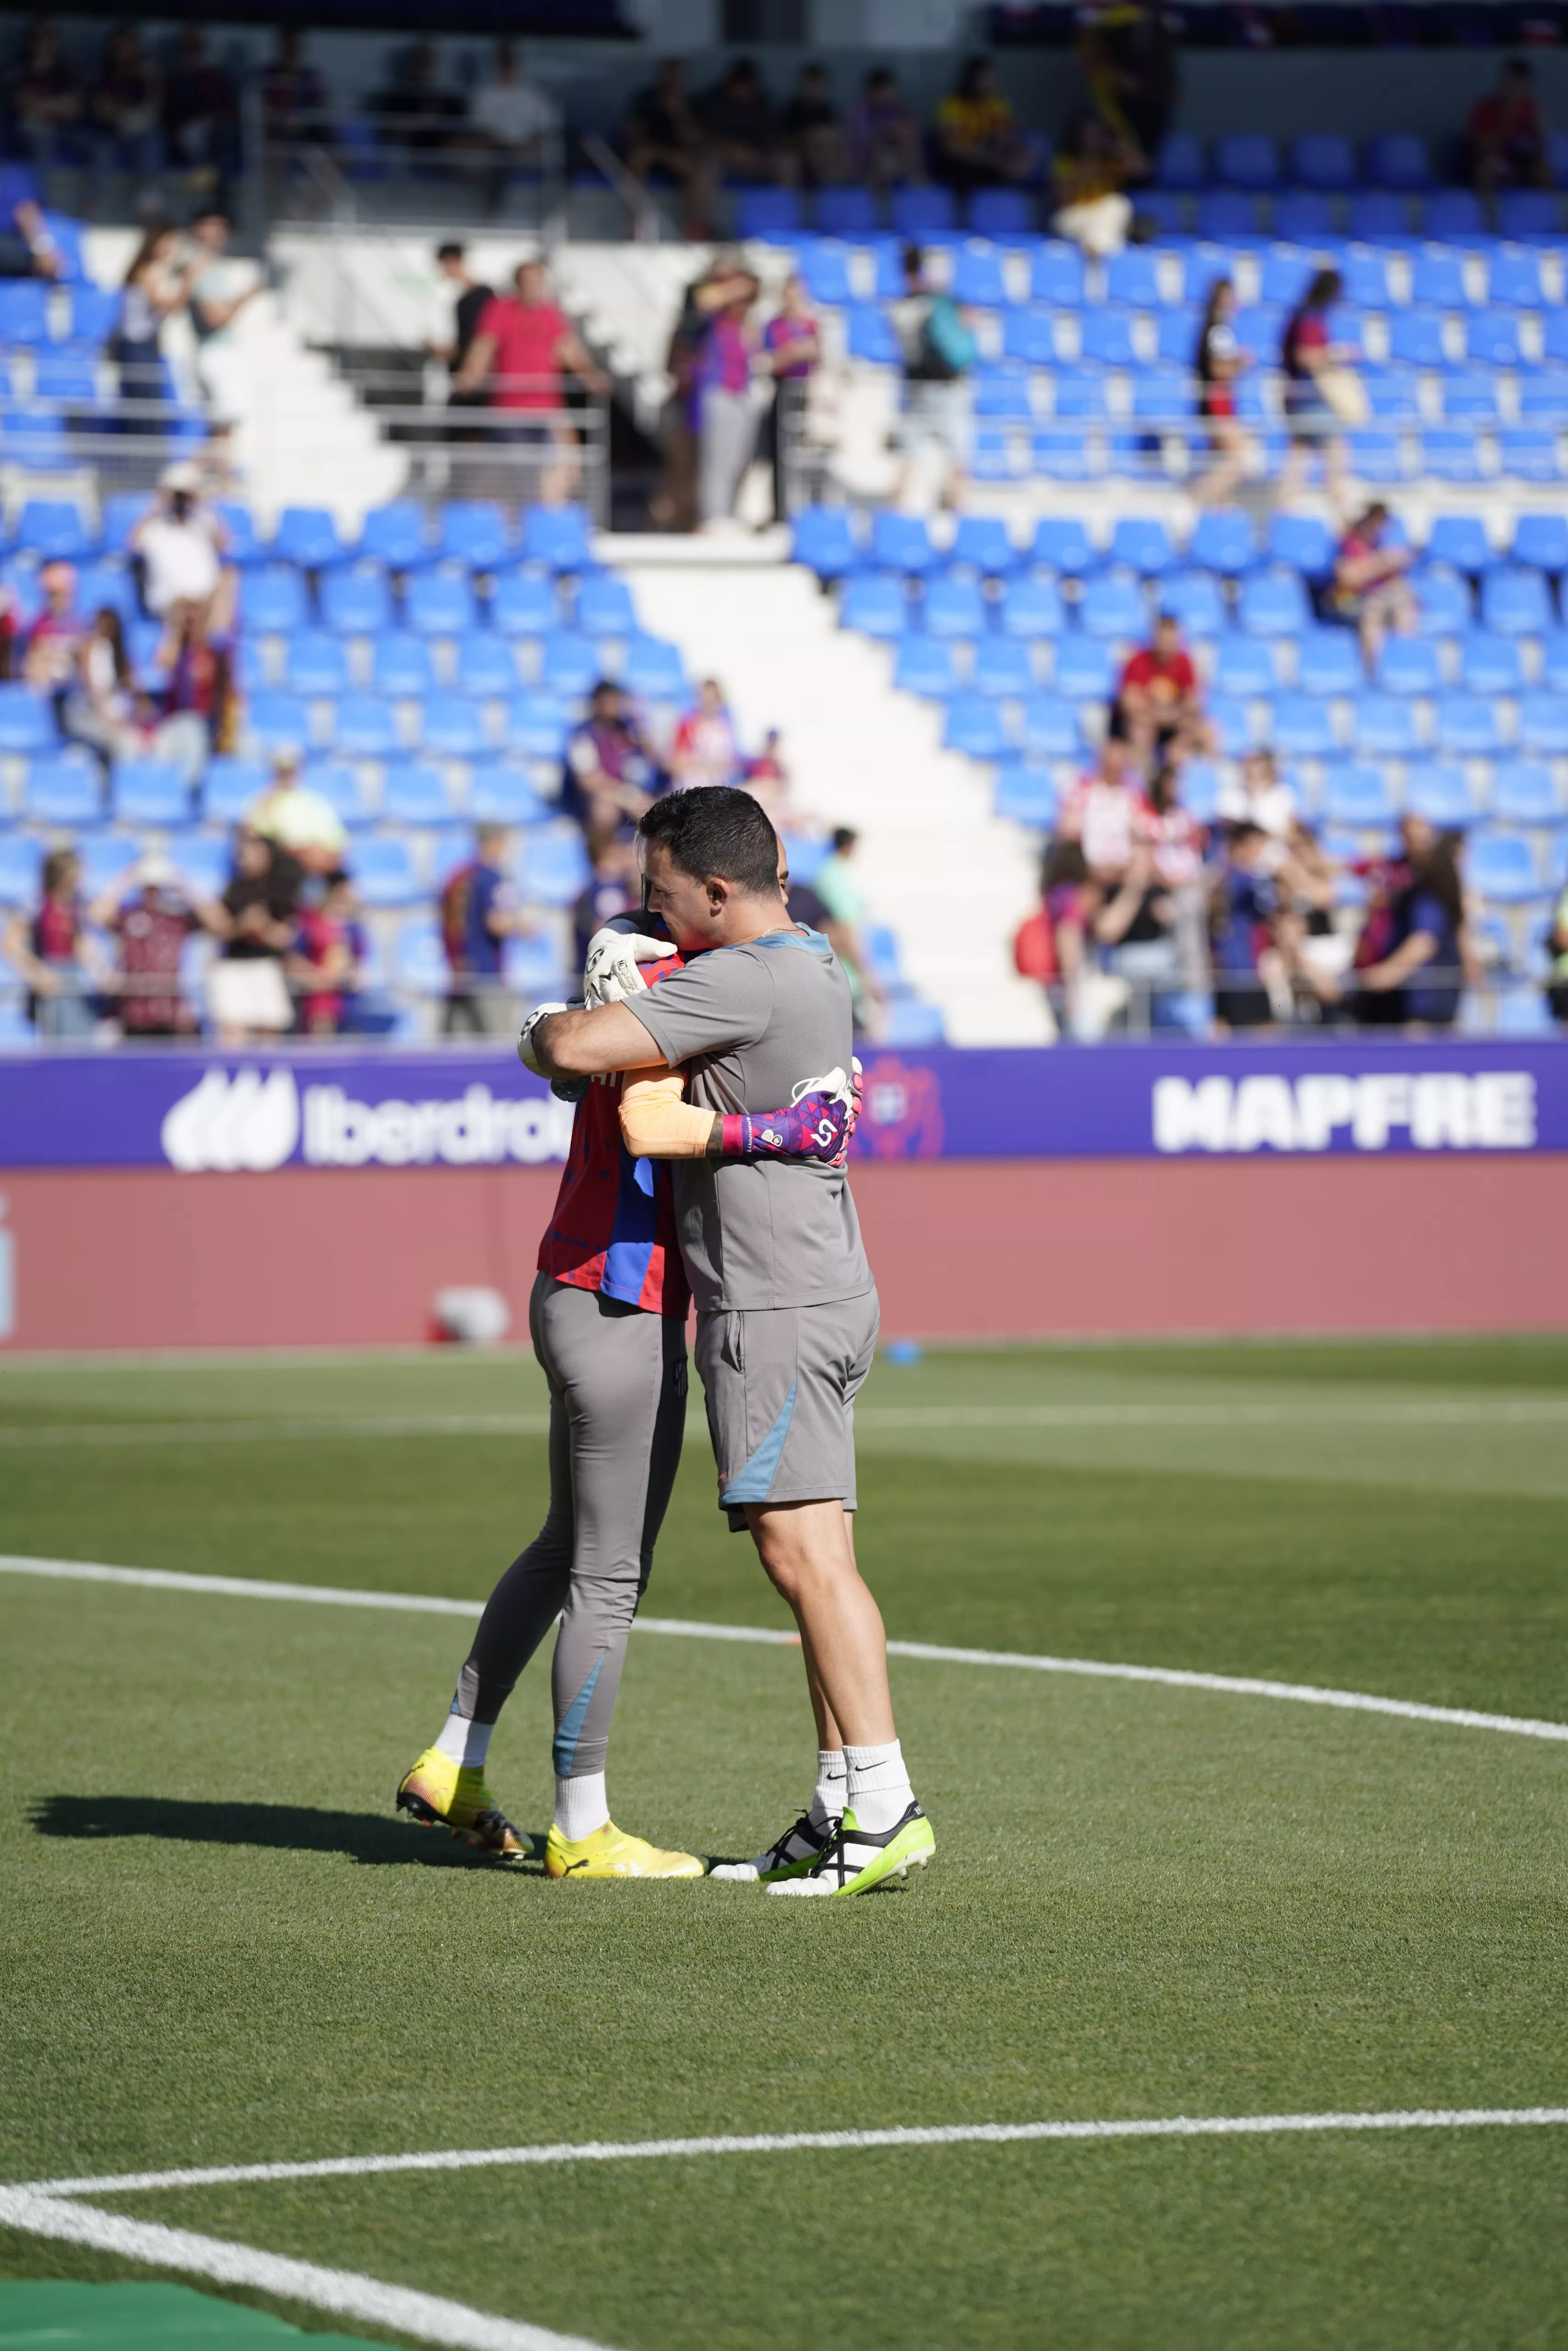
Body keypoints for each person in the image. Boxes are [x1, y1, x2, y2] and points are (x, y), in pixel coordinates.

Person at [399, 889, 859, 1879]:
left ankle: (454, 1759)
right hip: (624, 1299)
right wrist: (801, 1122)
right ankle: (582, 1826)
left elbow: (561, 1051)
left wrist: (557, 1013)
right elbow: (658, 1120)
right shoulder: (677, 1003)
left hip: (571, 1286)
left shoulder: (623, 1006)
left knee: (563, 1545)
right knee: (608, 1574)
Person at [522, 787, 932, 1897]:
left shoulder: (738, 979)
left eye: (660, 895)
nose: (648, 913)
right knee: (816, 1557)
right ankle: (841, 1801)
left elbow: (575, 1047)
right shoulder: (811, 959)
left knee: (804, 1560)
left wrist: (542, 1022)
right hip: (820, 1284)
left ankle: (884, 1804)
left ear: (715, 890)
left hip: (772, 1302)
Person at [452, 257, 609, 507]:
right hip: (510, 411)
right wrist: (471, 374)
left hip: (546, 410)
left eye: (539, 282)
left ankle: (541, 518)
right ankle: (527, 518)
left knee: (556, 470)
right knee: (521, 473)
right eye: (530, 282)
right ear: (519, 285)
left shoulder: (549, 313)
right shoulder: (501, 310)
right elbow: (484, 347)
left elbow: (570, 351)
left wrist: (591, 375)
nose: (536, 287)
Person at [90, 852, 224, 1040]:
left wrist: (181, 883)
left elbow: (219, 923)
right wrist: (127, 879)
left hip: (170, 1011)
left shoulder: (177, 920)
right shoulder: (128, 917)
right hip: (133, 1011)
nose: (152, 893)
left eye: (156, 888)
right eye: (148, 888)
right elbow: (96, 916)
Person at [891, 244, 976, 511]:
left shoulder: (905, 307)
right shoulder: (943, 303)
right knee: (956, 455)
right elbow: (969, 327)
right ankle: (956, 508)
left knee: (911, 456)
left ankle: (898, 514)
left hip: (920, 388)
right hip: (947, 387)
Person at [437, 823, 530, 1036]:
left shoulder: (459, 876)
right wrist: (521, 926)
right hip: (488, 972)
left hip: (462, 969)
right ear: (495, 842)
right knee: (496, 1039)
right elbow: (495, 922)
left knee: (461, 1042)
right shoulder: (490, 877)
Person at [1278, 268, 1357, 513]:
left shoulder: (1301, 315)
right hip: (1310, 396)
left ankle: (1286, 508)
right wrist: (1339, 354)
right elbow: (1307, 356)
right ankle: (1338, 507)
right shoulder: (1311, 318)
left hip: (1298, 395)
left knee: (1299, 452)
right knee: (1336, 450)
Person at [4, 847, 104, 1041]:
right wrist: (37, 973)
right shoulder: (37, 904)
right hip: (52, 981)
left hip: (75, 980)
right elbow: (11, 944)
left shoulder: (77, 905)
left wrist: (100, 971)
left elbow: (83, 946)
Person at [212, 827, 297, 1042]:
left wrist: (263, 927)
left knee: (269, 1031)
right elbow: (221, 930)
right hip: (234, 967)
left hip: (266, 966)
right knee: (232, 1032)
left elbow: (286, 937)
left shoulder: (280, 891)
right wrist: (242, 926)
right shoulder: (233, 890)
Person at [561, 680, 660, 859]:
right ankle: (602, 861)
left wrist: (639, 722)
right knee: (605, 808)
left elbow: (654, 757)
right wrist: (625, 795)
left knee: (658, 810)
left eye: (616, 700)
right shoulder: (583, 735)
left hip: (624, 791)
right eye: (609, 700)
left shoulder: (626, 730)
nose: (614, 706)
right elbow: (588, 781)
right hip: (591, 799)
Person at [692, 266, 759, 529]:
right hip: (720, 393)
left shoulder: (748, 326)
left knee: (738, 460)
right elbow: (704, 299)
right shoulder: (717, 321)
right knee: (717, 460)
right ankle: (714, 516)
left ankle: (730, 513)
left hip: (743, 396)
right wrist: (735, 288)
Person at [131, 465, 233, 632]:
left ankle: (216, 639)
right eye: (178, 496)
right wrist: (159, 505)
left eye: (185, 496)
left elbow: (226, 546)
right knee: (186, 610)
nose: (181, 501)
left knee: (229, 577)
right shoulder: (155, 528)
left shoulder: (203, 524)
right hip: (171, 603)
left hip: (204, 602)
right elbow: (132, 546)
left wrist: (202, 502)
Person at [113, 224, 196, 431]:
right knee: (143, 408)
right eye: (169, 242)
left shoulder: (152, 271)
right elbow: (167, 306)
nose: (173, 248)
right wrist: (188, 279)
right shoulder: (147, 272)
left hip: (145, 347)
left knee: (149, 406)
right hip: (137, 348)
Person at [186, 211, 261, 440]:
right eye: (212, 229)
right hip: (215, 352)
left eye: (221, 230)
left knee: (225, 425)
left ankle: (217, 463)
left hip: (221, 352)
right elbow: (215, 319)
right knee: (222, 423)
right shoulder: (200, 269)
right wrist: (245, 297)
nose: (218, 235)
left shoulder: (214, 267)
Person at [622, 60, 715, 239]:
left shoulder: (693, 103)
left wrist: (679, 113)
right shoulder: (646, 100)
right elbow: (633, 135)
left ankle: (696, 227)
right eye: (670, 76)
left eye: (678, 77)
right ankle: (635, 222)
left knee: (703, 171)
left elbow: (695, 140)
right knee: (639, 158)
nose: (673, 81)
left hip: (678, 157)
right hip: (649, 153)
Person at [1209, 821, 1287, 1031]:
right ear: (1241, 846)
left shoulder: (1231, 880)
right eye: (1257, 845)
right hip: (1241, 969)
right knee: (1258, 1030)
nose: (1261, 852)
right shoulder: (1242, 881)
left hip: (1245, 967)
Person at [465, 41, 560, 215]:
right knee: (496, 160)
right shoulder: (484, 95)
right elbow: (480, 131)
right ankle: (493, 212)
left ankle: (556, 212)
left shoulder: (533, 95)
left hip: (527, 153)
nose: (507, 66)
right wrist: (508, 146)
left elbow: (546, 129)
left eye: (510, 61)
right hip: (496, 152)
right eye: (503, 61)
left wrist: (529, 146)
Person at [760, 273, 820, 524]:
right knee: (781, 455)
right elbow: (768, 361)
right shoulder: (774, 326)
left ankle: (810, 510)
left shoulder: (810, 325)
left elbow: (818, 355)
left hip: (805, 393)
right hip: (783, 392)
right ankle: (781, 512)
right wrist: (793, 353)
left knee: (809, 455)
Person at [813, 826, 884, 1032]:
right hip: (846, 974)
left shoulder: (832, 873)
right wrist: (867, 977)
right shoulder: (836, 876)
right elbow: (846, 930)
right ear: (848, 846)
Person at [1329, 502, 1417, 670]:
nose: (1378, 526)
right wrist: (1381, 563)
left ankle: (1403, 668)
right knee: (1372, 613)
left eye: (1382, 521)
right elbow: (1349, 578)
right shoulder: (1351, 543)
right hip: (1353, 601)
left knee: (1405, 610)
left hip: (1386, 598)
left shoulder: (1385, 543)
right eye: (1375, 520)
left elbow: (1402, 565)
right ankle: (1375, 671)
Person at [1115, 612, 1211, 764]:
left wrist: (1175, 714)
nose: (1166, 644)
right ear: (1154, 637)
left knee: (1207, 733)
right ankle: (1140, 776)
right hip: (1148, 720)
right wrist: (1156, 713)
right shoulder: (1138, 661)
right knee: (1139, 732)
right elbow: (1129, 701)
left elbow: (1193, 701)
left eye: (1171, 639)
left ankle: (1202, 774)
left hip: (1175, 721)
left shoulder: (1185, 662)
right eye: (1163, 638)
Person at [933, 55, 1034, 193]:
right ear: (972, 80)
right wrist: (985, 155)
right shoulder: (953, 103)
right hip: (962, 161)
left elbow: (1006, 136)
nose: (992, 84)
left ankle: (1011, 197)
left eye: (993, 79)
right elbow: (952, 147)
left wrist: (1015, 149)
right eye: (986, 79)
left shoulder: (998, 103)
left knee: (1023, 156)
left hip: (990, 154)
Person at [163, 27, 241, 204]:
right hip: (184, 134)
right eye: (189, 47)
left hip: (215, 133)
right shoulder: (174, 79)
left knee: (226, 135)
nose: (193, 52)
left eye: (197, 47)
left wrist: (212, 120)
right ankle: (204, 182)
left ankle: (221, 195)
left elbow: (230, 109)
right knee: (195, 135)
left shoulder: (215, 76)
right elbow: (169, 114)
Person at [1192, 276, 1249, 508]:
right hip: (1218, 401)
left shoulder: (1213, 327)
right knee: (1237, 464)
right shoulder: (1219, 330)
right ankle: (1196, 500)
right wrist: (1239, 363)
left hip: (1217, 399)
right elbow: (1219, 369)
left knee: (1221, 460)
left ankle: (1215, 508)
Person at [288, 870, 366, 1038]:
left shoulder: (352, 926)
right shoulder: (309, 922)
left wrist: (346, 975)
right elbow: (294, 959)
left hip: (345, 997)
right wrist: (317, 977)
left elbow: (359, 962)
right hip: (317, 997)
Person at [62, 606, 143, 767]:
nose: (102, 631)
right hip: (90, 715)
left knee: (136, 743)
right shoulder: (89, 650)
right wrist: (111, 723)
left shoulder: (119, 655)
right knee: (128, 744)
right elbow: (93, 693)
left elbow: (134, 692)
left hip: (114, 717)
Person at [89, 25, 163, 199]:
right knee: (102, 148)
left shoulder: (146, 74)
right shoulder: (104, 74)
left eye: (128, 46)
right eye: (119, 47)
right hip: (111, 133)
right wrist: (123, 113)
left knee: (153, 140)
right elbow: (103, 111)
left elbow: (155, 109)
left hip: (141, 133)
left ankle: (149, 201)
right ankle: (95, 201)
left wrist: (153, 80)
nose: (123, 52)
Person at [1051, 114, 1135, 259]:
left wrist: (1116, 143)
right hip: (1072, 215)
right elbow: (1059, 198)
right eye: (1090, 134)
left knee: (1119, 204)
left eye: (1098, 134)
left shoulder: (1110, 161)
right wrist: (1083, 171)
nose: (1094, 139)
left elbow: (1141, 168)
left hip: (1103, 216)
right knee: (1105, 229)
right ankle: (1111, 258)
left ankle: (1096, 255)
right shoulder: (1066, 162)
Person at [695, 57, 783, 186]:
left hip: (755, 158)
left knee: (786, 162)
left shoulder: (763, 102)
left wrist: (755, 154)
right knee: (708, 162)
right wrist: (732, 151)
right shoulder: (715, 100)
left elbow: (773, 137)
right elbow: (704, 136)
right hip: (724, 156)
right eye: (740, 85)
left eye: (748, 86)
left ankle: (785, 200)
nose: (744, 90)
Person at [372, 41, 465, 160]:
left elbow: (460, 131)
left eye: (427, 62)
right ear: (410, 63)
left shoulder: (448, 99)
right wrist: (423, 121)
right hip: (408, 156)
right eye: (418, 61)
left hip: (442, 158)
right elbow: (389, 129)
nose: (422, 68)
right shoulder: (396, 97)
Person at [1469, 57, 1548, 196]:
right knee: (1487, 171)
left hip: (1521, 163)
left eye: (1519, 83)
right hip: (1495, 162)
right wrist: (1507, 119)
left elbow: (1539, 149)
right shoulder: (1486, 109)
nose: (1513, 88)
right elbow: (1487, 150)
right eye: (1509, 81)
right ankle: (1489, 209)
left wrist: (1538, 134)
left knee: (1543, 171)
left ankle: (1544, 208)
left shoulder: (1531, 109)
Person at [13, 22, 81, 171]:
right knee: (42, 138)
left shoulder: (65, 73)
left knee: (99, 145)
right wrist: (59, 104)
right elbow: (25, 108)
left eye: (48, 37)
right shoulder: (20, 71)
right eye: (39, 38)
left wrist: (42, 105)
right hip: (29, 132)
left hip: (63, 130)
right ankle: (43, 188)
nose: (43, 43)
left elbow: (73, 109)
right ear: (31, 42)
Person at [846, 67, 924, 190]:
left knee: (906, 134)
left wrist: (896, 132)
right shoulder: (861, 111)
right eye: (886, 90)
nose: (891, 94)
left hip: (896, 156)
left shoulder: (898, 108)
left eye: (891, 89)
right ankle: (877, 184)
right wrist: (885, 132)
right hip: (868, 159)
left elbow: (912, 131)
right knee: (882, 147)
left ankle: (911, 178)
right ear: (874, 91)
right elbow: (860, 142)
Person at [21, 560, 84, 702]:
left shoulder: (80, 624)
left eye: (63, 594)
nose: (58, 600)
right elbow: (35, 662)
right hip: (49, 691)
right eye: (52, 595)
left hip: (76, 691)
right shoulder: (40, 624)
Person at [259, 26, 329, 151]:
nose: (292, 55)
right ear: (280, 49)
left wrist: (304, 120)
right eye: (289, 50)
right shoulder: (266, 77)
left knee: (328, 156)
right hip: (274, 140)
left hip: (307, 140)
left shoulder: (311, 79)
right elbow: (258, 110)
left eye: (296, 50)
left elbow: (322, 111)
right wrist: (281, 120)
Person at [781, 62, 848, 189]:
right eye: (811, 85)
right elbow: (782, 139)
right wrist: (809, 137)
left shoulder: (829, 111)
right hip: (799, 156)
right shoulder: (792, 110)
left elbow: (836, 139)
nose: (815, 90)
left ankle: (835, 191)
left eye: (819, 85)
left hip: (824, 158)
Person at [669, 676, 741, 792]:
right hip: (692, 786)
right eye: (705, 699)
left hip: (719, 785)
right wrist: (703, 763)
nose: (708, 704)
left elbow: (732, 762)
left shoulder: (725, 728)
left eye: (712, 700)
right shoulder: (688, 726)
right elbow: (677, 762)